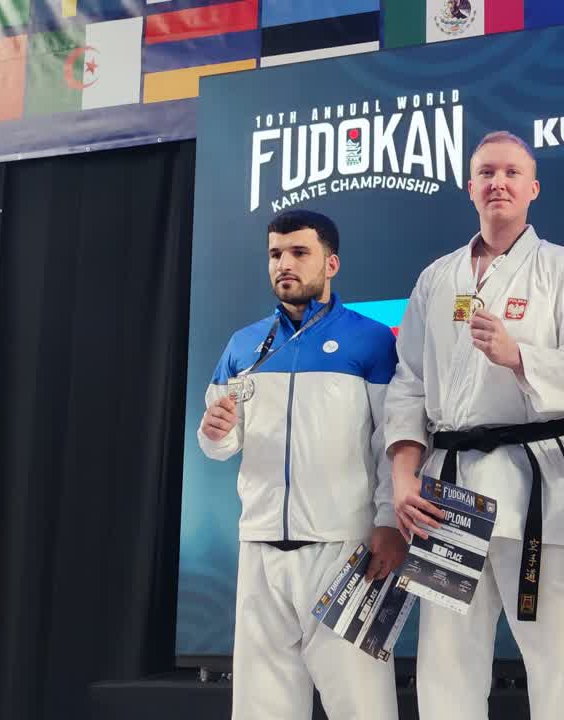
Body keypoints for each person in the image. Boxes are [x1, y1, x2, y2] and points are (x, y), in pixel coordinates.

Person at [383, 131, 564, 720]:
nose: (499, 183)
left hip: (535, 481)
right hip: (447, 486)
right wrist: (403, 476)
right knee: (446, 659)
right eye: (487, 173)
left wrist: (521, 358)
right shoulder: (437, 278)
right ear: (470, 187)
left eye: (512, 173)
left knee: (555, 655)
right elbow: (408, 382)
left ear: (533, 188)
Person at [198, 209, 405, 720]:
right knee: (261, 709)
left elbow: (391, 441)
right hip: (260, 550)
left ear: (331, 263)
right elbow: (221, 442)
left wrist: (387, 521)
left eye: (298, 252)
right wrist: (215, 433)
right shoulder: (243, 345)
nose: (283, 264)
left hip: (344, 551)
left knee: (363, 706)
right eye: (275, 254)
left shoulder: (372, 340)